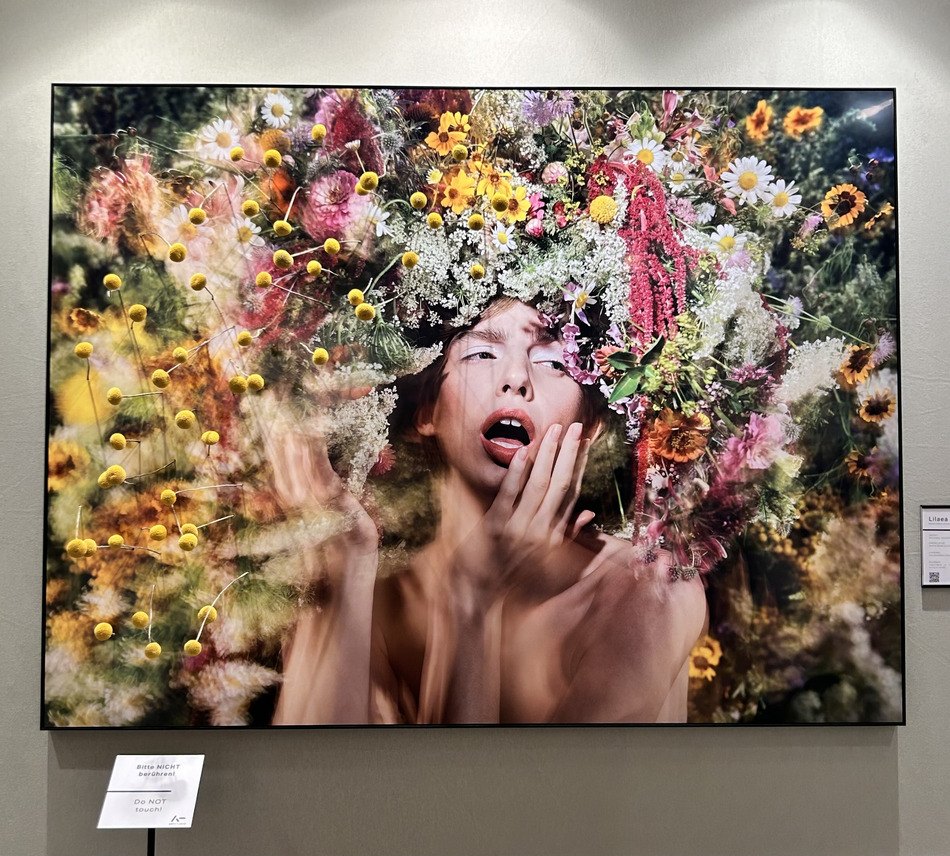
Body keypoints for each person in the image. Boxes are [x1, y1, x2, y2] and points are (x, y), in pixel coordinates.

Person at [272, 299, 707, 725]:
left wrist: (472, 603)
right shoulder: (382, 605)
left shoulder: (647, 588)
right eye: (481, 353)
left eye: (554, 361)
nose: (516, 378)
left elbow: (490, 797)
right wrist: (343, 558)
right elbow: (320, 789)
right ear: (427, 408)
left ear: (591, 422)